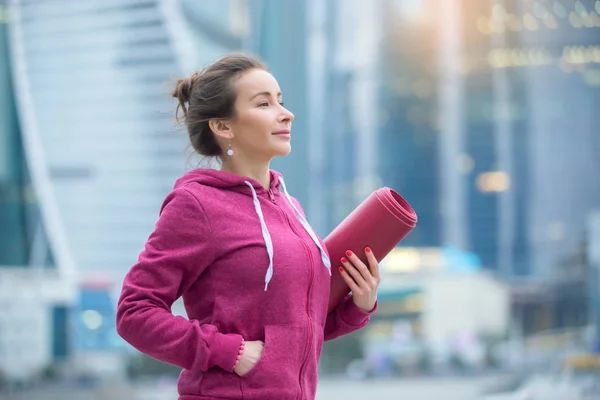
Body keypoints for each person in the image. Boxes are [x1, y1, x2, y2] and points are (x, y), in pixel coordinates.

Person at [116, 53, 380, 400]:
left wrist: (357, 306)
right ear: (223, 126)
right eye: (264, 104)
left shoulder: (289, 207)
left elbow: (293, 331)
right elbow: (134, 312)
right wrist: (227, 351)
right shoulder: (196, 205)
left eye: (281, 101)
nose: (286, 113)